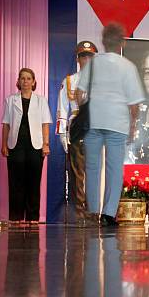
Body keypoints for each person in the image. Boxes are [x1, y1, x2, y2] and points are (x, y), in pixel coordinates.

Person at [75, 23, 145, 227]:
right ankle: (108, 214)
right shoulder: (128, 66)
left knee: (93, 167)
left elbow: (79, 92)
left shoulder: (93, 63)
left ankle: (93, 211)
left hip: (94, 121)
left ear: (103, 42)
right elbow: (134, 104)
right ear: (122, 42)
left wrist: (84, 109)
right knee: (115, 169)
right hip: (118, 123)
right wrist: (133, 126)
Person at [2, 68, 52, 224]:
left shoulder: (41, 100)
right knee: (16, 182)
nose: (25, 81)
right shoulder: (10, 100)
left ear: (34, 81)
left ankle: (32, 217)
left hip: (35, 145)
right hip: (16, 144)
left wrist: (45, 144)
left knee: (33, 181)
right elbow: (6, 124)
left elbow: (45, 124)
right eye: (22, 78)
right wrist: (4, 144)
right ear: (18, 81)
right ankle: (16, 216)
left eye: (28, 78)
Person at [56, 40, 98, 222]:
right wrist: (63, 135)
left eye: (90, 56)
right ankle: (80, 211)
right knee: (77, 172)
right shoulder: (70, 81)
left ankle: (95, 209)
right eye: (83, 56)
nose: (86, 59)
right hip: (77, 128)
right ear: (78, 59)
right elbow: (62, 108)